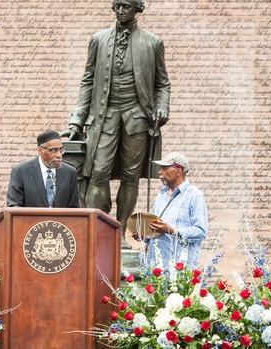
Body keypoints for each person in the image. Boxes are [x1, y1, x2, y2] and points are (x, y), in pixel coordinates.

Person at [61, 0, 171, 239]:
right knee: (98, 172)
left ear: (137, 9)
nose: (120, 11)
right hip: (104, 118)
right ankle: (96, 232)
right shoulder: (99, 39)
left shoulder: (153, 42)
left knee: (131, 178)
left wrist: (162, 108)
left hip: (137, 119)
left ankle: (119, 234)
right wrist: (76, 121)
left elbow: (162, 84)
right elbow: (88, 80)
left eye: (126, 6)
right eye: (117, 6)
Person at [144, 152, 208, 269]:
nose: (160, 172)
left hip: (179, 272)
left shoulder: (195, 195)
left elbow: (200, 232)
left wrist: (172, 230)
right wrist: (143, 235)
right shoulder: (161, 195)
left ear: (178, 170)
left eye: (165, 168)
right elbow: (154, 227)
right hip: (155, 270)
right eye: (160, 168)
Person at [7, 130, 79, 208]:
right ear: (40, 150)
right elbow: (14, 206)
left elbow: (74, 208)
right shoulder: (20, 171)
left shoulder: (70, 172)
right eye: (53, 150)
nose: (59, 155)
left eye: (60, 150)